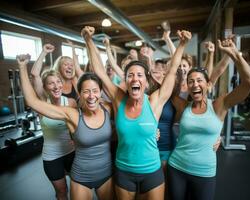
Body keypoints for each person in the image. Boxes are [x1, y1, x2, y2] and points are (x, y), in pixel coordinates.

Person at [81, 25, 191, 200]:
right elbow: (100, 72)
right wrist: (88, 40)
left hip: (152, 172)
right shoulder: (118, 99)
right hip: (124, 172)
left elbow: (171, 72)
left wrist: (183, 44)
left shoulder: (154, 102)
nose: (135, 78)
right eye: (130, 75)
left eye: (140, 75)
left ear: (146, 82)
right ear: (125, 80)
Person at [167, 38, 250, 200]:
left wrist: (235, 55)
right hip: (177, 167)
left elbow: (249, 82)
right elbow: (169, 79)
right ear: (186, 86)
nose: (195, 84)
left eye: (199, 80)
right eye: (191, 81)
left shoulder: (219, 105)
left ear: (208, 85)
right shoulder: (183, 106)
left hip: (204, 172)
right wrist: (176, 44)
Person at [17, 54, 114, 200]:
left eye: (95, 90)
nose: (91, 95)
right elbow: (32, 101)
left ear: (101, 92)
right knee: (62, 192)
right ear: (79, 93)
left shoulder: (109, 108)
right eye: (86, 91)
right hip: (81, 178)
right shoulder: (72, 114)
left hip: (106, 175)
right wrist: (22, 67)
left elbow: (130, 116)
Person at [30, 44, 76, 200]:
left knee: (78, 189)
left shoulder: (70, 102)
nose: (56, 86)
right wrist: (43, 52)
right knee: (62, 192)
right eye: (51, 83)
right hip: (52, 156)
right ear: (45, 87)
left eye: (58, 82)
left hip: (72, 152)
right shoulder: (42, 102)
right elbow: (35, 75)